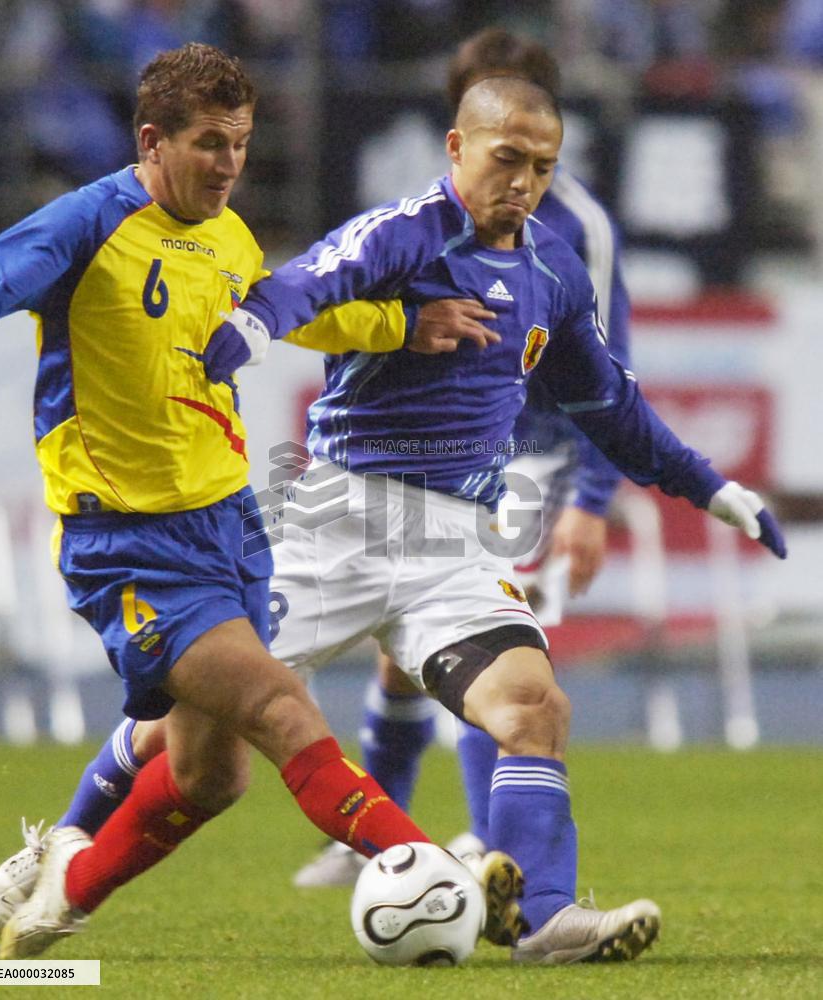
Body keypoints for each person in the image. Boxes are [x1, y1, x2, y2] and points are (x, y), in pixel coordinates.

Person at [0, 71, 785, 966]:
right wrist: (255, 327)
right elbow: (305, 284)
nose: (522, 182)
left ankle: (546, 918)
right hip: (334, 526)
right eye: (506, 159)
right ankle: (63, 850)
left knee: (532, 707)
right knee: (196, 736)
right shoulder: (402, 233)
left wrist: (712, 490)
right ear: (457, 148)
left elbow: (611, 408)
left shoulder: (553, 271)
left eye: (542, 166)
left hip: (454, 546)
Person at [0, 42, 523, 959]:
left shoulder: (226, 234)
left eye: (240, 144)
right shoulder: (85, 225)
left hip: (230, 528)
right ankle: (431, 869)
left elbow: (293, 312)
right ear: (152, 141)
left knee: (210, 776)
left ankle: (61, 895)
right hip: (129, 543)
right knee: (279, 706)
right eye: (209, 144)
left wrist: (399, 324)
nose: (229, 165)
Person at [294, 25, 635, 890]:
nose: (517, 171)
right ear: (461, 130)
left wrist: (591, 500)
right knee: (404, 660)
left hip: (534, 468)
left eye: (534, 150)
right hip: (418, 473)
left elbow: (610, 372)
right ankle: (377, 837)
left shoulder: (577, 232)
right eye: (498, 141)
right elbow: (304, 300)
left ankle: (489, 845)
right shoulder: (417, 223)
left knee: (499, 668)